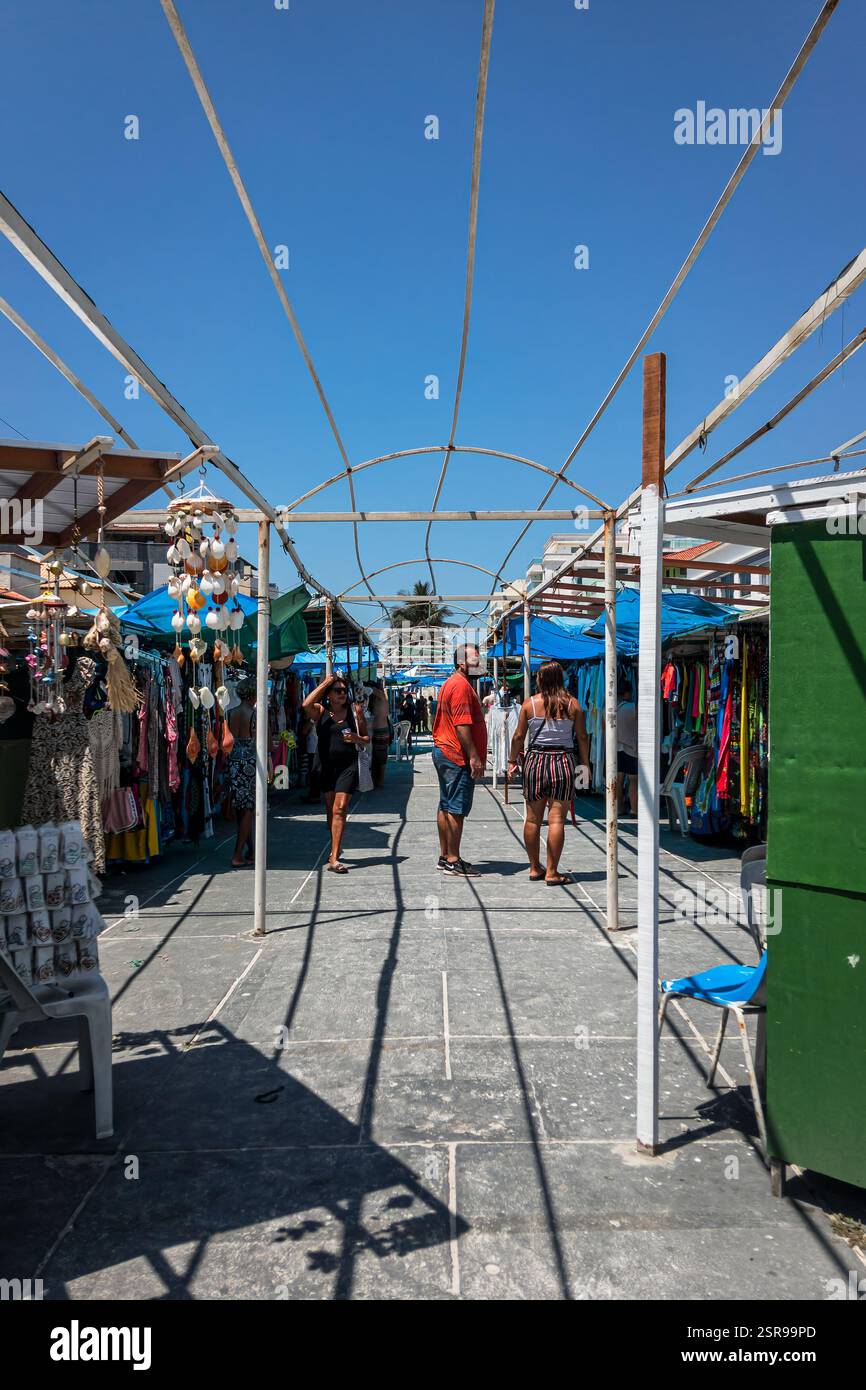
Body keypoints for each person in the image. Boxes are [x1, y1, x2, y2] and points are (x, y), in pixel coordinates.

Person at [508, 660, 590, 886]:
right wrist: (585, 764)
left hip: (535, 761)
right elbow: (582, 737)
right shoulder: (573, 705)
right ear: (561, 677)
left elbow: (518, 737)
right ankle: (552, 872)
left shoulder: (529, 705)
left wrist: (512, 760)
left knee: (533, 820)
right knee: (557, 820)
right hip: (563, 761)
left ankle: (535, 867)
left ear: (540, 679)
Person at [303, 670, 370, 873]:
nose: (342, 693)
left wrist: (356, 739)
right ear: (329, 694)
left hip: (347, 766)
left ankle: (334, 858)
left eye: (344, 690)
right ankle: (335, 846)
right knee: (331, 810)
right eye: (337, 690)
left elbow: (366, 739)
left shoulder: (355, 711)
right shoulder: (321, 712)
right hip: (325, 766)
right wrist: (325, 683)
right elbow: (305, 705)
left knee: (340, 809)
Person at [432, 643, 487, 876]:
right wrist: (474, 756)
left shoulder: (452, 683)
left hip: (445, 750)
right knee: (456, 807)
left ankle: (445, 856)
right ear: (462, 663)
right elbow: (462, 724)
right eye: (476, 659)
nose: (480, 662)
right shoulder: (461, 686)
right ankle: (453, 860)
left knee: (446, 804)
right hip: (456, 754)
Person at [227, 680, 257, 867]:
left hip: (233, 760)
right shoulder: (254, 715)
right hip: (250, 762)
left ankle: (251, 850)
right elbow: (265, 743)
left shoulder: (230, 713)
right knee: (248, 809)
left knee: (241, 808)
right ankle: (237, 855)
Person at [616, 676, 638, 817]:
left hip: (616, 749)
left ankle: (618, 808)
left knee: (617, 780)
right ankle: (635, 809)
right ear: (627, 693)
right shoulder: (633, 707)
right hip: (630, 748)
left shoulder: (610, 708)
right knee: (633, 780)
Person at [367, 683, 392, 789]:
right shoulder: (376, 700)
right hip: (378, 730)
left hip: (381, 730)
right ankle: (376, 779)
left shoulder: (381, 697)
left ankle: (380, 780)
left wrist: (364, 687)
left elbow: (373, 690)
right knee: (375, 757)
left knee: (380, 756)